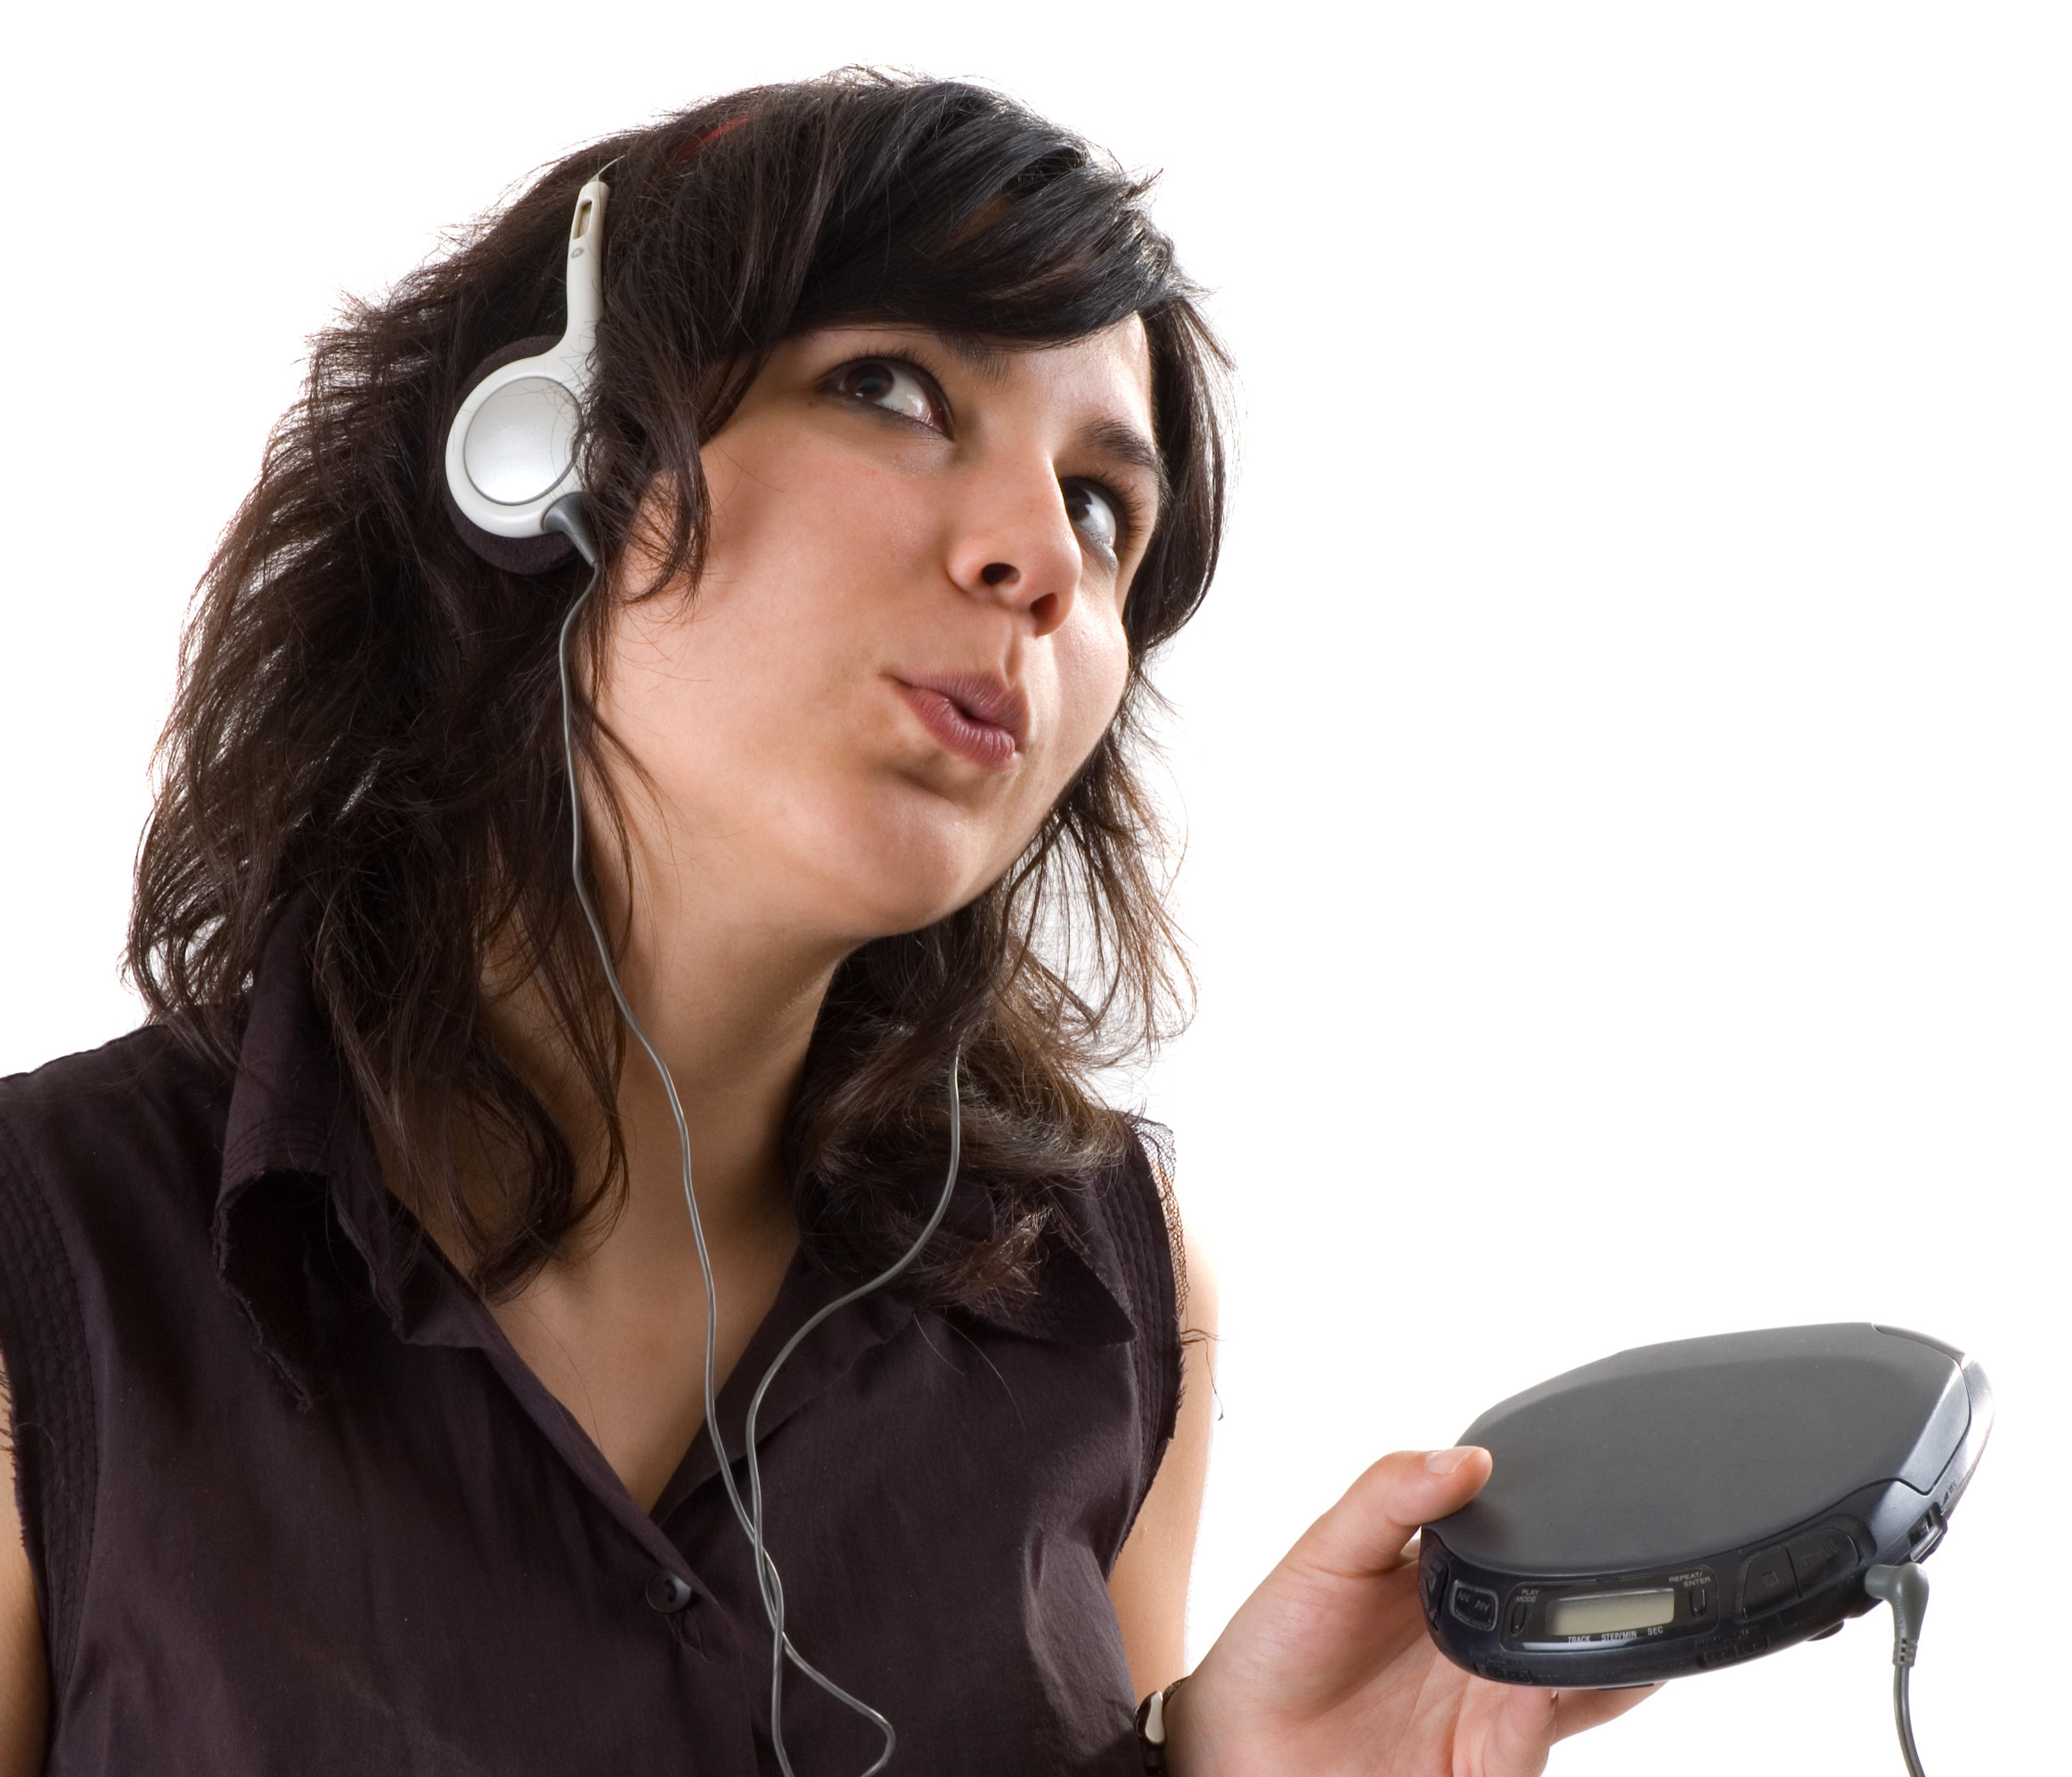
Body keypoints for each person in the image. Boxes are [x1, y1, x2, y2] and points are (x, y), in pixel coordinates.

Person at [0, 70, 1650, 1775]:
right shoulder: (50, 1267)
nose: (1043, 559)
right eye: (893, 389)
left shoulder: (1115, 1284)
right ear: (541, 462)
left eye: (1103, 503)